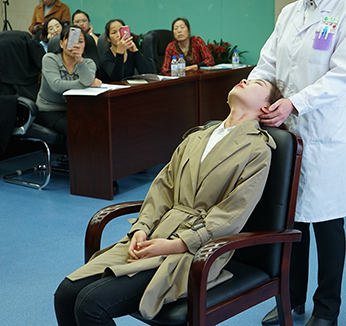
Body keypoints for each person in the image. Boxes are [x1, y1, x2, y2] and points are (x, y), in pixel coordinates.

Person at [53, 78, 283, 325]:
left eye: (257, 83)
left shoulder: (258, 149)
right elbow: (162, 189)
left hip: (197, 251)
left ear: (266, 108)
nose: (245, 80)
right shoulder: (197, 136)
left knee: (90, 304)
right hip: (156, 235)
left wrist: (176, 244)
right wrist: (141, 228)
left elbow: (233, 213)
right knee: (65, 294)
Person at [249, 0, 346, 326]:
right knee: (290, 221)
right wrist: (252, 90)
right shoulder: (289, 14)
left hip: (324, 133)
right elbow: (268, 63)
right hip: (286, 132)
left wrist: (294, 102)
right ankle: (291, 298)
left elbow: (340, 76)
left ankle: (328, 308)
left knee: (328, 225)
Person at [35, 25, 101, 136]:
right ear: (61, 44)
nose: (76, 45)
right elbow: (57, 86)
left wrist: (79, 60)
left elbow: (87, 80)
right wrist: (86, 84)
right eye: (71, 40)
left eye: (81, 41)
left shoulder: (88, 63)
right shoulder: (50, 59)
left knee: (98, 124)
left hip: (75, 109)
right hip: (49, 110)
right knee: (75, 128)